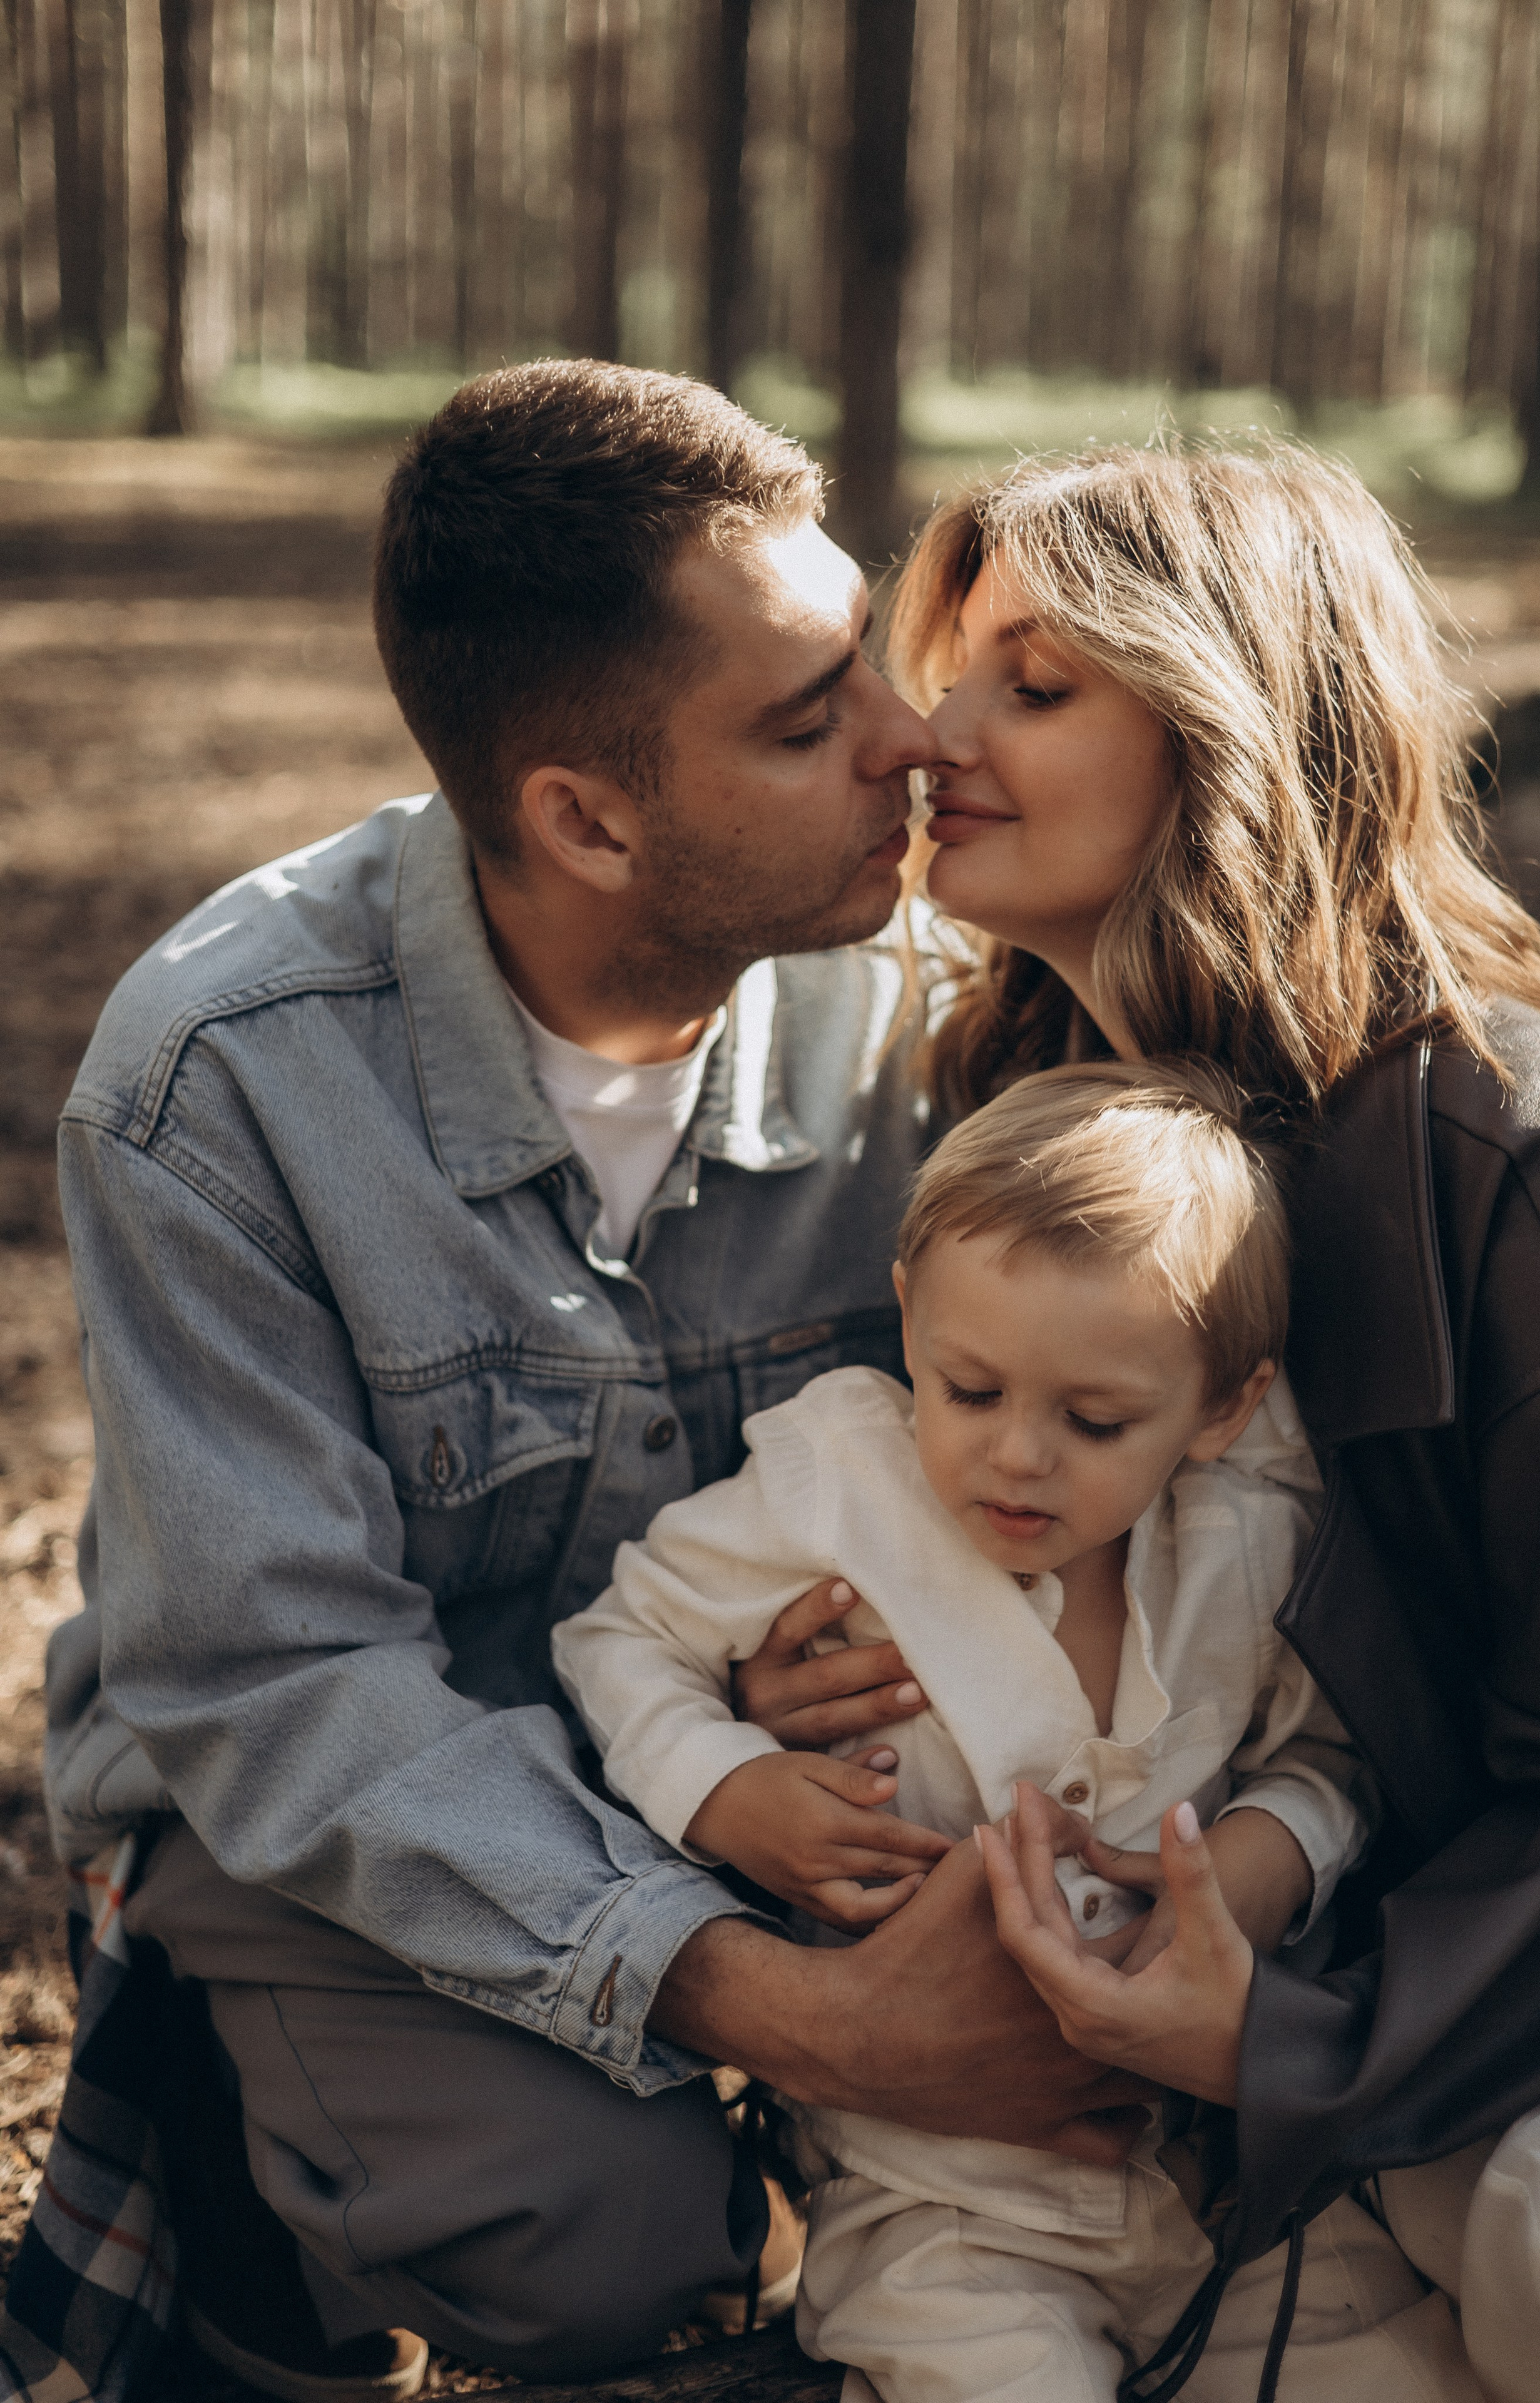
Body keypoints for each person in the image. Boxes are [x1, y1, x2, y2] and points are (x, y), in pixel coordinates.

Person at [14, 362, 1155, 2403]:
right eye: (812, 720)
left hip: (743, 1763)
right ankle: (244, 2213)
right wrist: (796, 2019)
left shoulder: (928, 1025)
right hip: (333, 1796)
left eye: (865, 662)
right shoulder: (224, 1083)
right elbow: (287, 1697)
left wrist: (788, 1661)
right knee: (610, 2233)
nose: (915, 743)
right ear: (585, 817)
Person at [734, 440, 1540, 2403]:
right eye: (953, 669)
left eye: (1033, 688)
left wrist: (1278, 2043)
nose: (931, 736)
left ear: (1232, 736)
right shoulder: (1020, 1107)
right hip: (1151, 2130)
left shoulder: (1519, 1164)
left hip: (1501, 2055)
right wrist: (860, 1655)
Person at [553, 1061, 1479, 2401]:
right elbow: (617, 1638)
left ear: (1221, 1408)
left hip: (1224, 2182)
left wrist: (1263, 1858)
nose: (1014, 1457)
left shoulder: (1248, 1542)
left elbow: (1324, 1757)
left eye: (1093, 1421)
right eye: (967, 1389)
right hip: (937, 2198)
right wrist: (727, 1787)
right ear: (906, 1324)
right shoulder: (839, 1486)